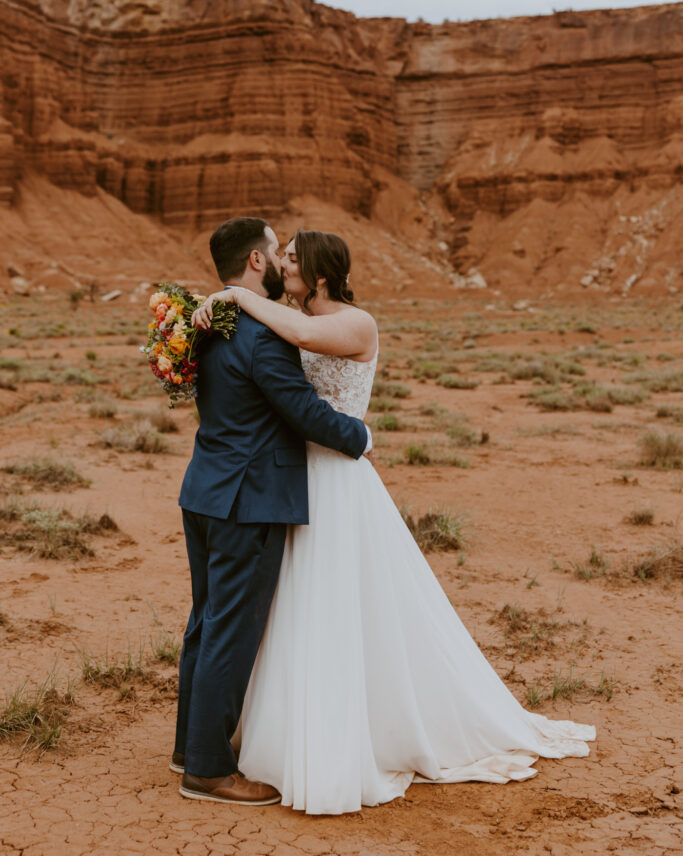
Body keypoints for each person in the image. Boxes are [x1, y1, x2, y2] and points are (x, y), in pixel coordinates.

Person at [192, 228, 596, 816]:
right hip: (291, 481)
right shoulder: (280, 316)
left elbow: (304, 337)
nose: (284, 264)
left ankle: (356, 731)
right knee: (296, 608)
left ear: (321, 275)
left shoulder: (357, 323)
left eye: (295, 259)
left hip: (337, 479)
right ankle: (276, 731)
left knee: (346, 604)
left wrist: (232, 296)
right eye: (280, 256)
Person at [174, 218, 371, 806]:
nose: (283, 261)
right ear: (257, 262)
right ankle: (209, 770)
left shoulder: (209, 325)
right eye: (275, 252)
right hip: (249, 499)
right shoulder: (262, 337)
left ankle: (189, 744)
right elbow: (303, 413)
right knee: (231, 633)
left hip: (204, 489)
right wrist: (360, 438)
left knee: (204, 623)